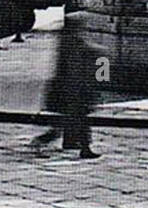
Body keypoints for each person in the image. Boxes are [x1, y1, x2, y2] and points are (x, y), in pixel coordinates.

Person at [32, 12, 100, 159]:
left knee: (70, 121)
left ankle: (73, 144)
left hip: (68, 88)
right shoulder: (74, 41)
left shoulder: (67, 40)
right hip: (72, 89)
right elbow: (76, 65)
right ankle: (84, 148)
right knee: (79, 120)